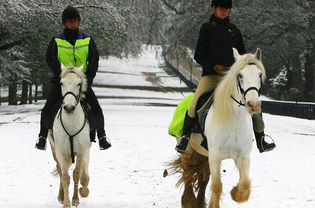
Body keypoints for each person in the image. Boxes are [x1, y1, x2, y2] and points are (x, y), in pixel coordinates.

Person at [175, 0, 276, 153]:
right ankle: (185, 137)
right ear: (214, 9)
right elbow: (198, 55)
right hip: (211, 76)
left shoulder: (234, 30)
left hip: (232, 78)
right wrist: (213, 66)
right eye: (222, 8)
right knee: (195, 103)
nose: (224, 11)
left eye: (227, 9)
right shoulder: (206, 28)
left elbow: (242, 56)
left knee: (253, 102)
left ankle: (261, 138)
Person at [35, 6, 111, 151]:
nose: (73, 24)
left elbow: (94, 59)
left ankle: (102, 137)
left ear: (79, 22)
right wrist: (61, 74)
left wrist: (88, 78)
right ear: (64, 23)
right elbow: (50, 58)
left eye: (76, 21)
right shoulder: (57, 39)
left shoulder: (87, 39)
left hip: (80, 83)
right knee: (48, 108)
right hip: (62, 81)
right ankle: (42, 137)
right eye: (70, 22)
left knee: (96, 108)